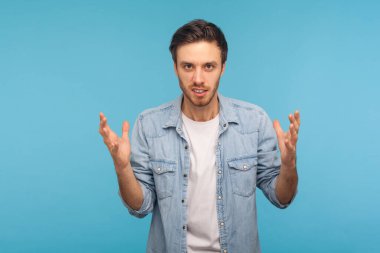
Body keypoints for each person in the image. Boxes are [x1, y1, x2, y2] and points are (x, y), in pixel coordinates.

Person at [99, 19, 300, 253]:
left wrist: (289, 165)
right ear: (175, 67)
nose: (198, 79)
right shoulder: (149, 124)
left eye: (208, 66)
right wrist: (122, 168)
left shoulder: (254, 121)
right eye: (188, 66)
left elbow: (281, 199)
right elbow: (140, 207)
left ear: (222, 67)